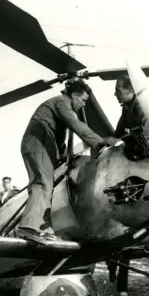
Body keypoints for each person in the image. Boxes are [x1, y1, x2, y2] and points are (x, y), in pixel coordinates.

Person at [17, 79, 116, 243]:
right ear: (74, 95)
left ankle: (42, 228)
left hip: (43, 143)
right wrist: (99, 141)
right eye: (83, 100)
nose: (83, 105)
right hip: (38, 142)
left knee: (47, 185)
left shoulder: (60, 106)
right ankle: (29, 227)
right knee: (42, 183)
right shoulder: (62, 102)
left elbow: (60, 139)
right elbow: (76, 125)